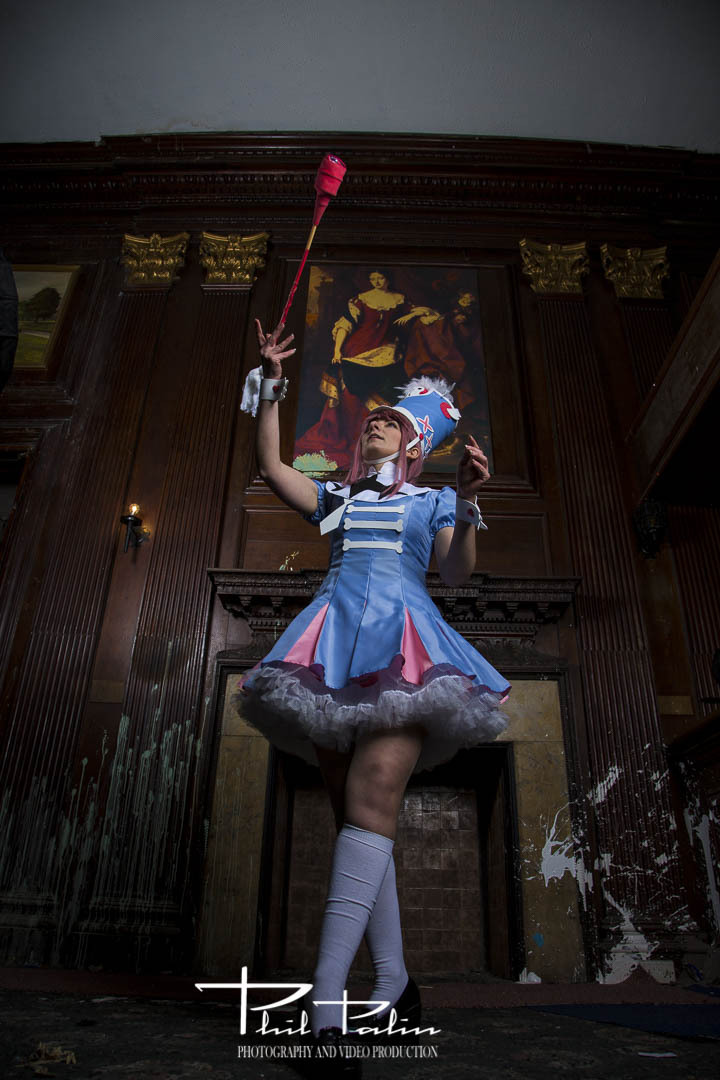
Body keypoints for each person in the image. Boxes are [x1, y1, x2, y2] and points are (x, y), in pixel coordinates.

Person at [237, 320, 510, 1076]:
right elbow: (270, 465)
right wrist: (270, 384)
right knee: (359, 818)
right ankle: (395, 985)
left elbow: (455, 574)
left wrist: (468, 501)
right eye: (373, 420)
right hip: (327, 652)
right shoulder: (339, 498)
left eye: (389, 420)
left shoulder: (434, 501)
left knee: (374, 796)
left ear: (415, 441)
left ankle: (326, 1016)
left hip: (405, 651)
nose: (375, 424)